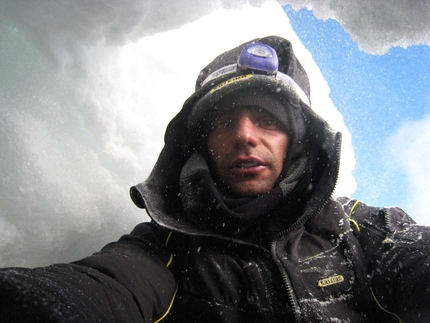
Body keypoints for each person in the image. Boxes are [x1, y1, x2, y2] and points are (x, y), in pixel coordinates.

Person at [1, 35, 429, 323]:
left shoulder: (359, 231)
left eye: (266, 119)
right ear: (201, 147)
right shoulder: (167, 249)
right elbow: (105, 288)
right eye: (224, 123)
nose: (245, 135)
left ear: (297, 142)